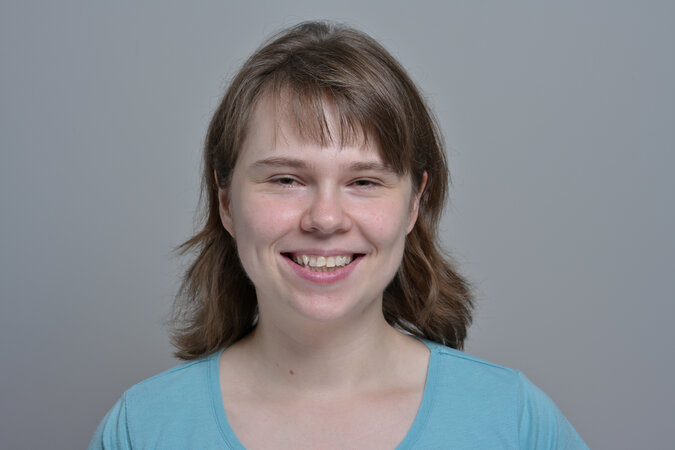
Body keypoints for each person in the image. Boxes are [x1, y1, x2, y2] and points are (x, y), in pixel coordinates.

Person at [89, 21, 587, 449]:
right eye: (286, 179)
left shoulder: (512, 420)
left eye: (364, 182)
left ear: (414, 203)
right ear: (226, 204)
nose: (325, 219)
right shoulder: (143, 428)